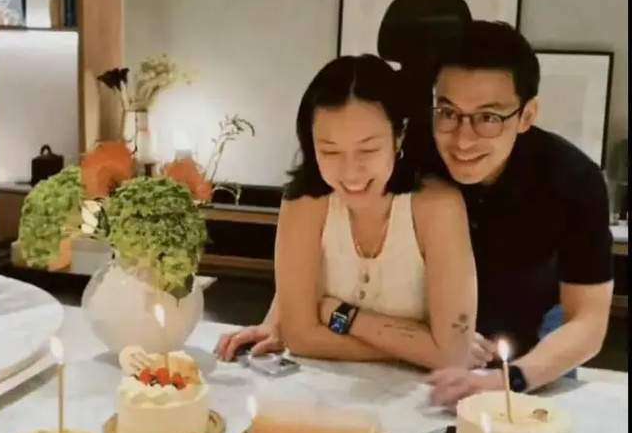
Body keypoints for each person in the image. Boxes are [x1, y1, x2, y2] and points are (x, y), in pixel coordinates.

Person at [217, 54, 480, 368]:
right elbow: (300, 338)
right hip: (320, 385)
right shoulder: (305, 203)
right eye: (330, 151)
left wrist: (339, 315)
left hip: (423, 391)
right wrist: (424, 348)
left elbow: (452, 354)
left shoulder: (437, 208)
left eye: (368, 149)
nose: (350, 173)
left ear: (399, 136)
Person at [425, 20, 613, 404]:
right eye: (448, 112)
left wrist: (509, 380)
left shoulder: (572, 179)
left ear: (527, 115)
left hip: (531, 354)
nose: (462, 139)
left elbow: (588, 322)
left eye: (488, 118)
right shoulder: (412, 156)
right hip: (427, 348)